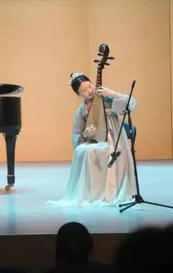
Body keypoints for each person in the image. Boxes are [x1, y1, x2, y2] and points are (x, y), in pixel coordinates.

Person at [50, 73, 136, 206]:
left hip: (114, 139)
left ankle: (108, 191)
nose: (89, 91)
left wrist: (112, 93)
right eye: (84, 91)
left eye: (90, 86)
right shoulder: (81, 111)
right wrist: (84, 135)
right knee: (81, 150)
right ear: (79, 95)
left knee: (95, 151)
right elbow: (76, 136)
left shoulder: (107, 99)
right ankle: (92, 192)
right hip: (94, 141)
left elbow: (131, 104)